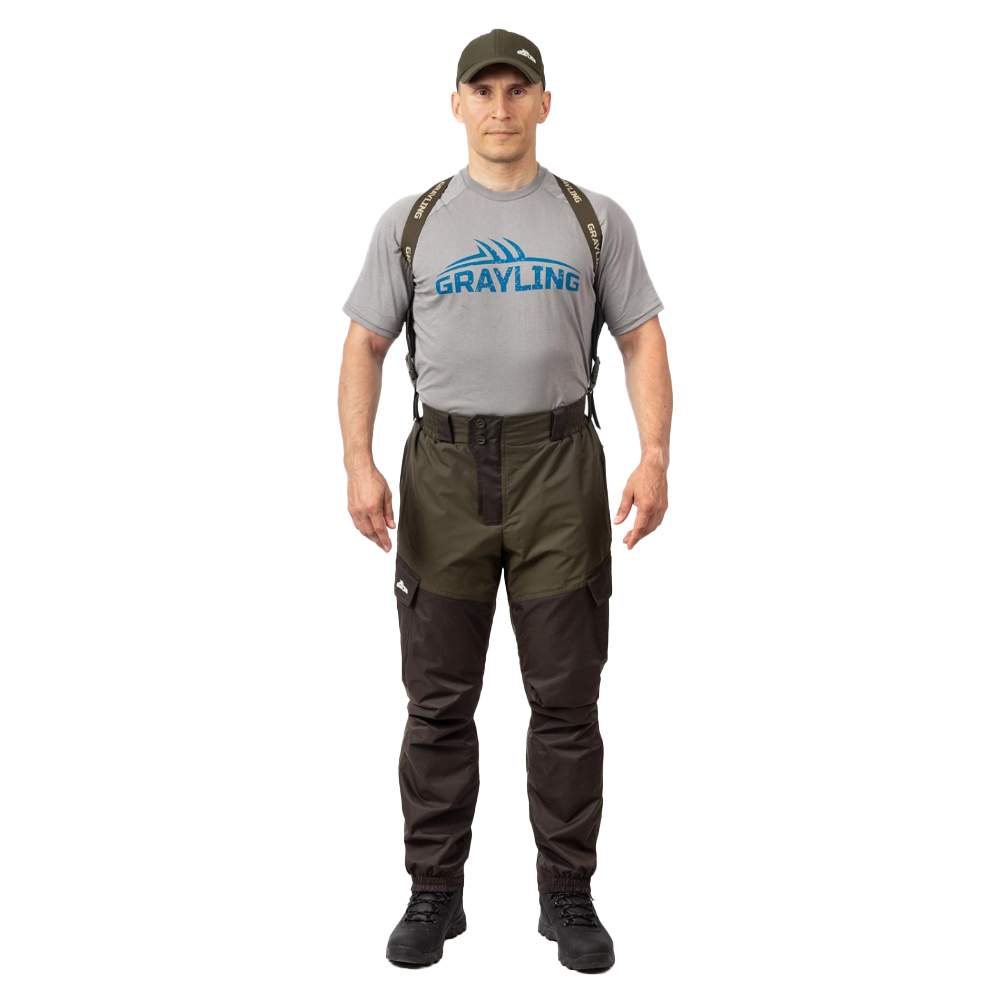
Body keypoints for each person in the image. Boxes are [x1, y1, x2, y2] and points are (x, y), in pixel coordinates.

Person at [339, 27, 672, 972]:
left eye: (516, 90)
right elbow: (365, 343)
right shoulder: (411, 221)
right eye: (481, 91)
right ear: (456, 106)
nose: (499, 108)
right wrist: (359, 461)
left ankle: (567, 893)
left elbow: (641, 336)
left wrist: (654, 454)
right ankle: (433, 892)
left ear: (543, 104)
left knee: (566, 699)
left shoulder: (593, 219)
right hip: (443, 472)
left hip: (559, 469)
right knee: (438, 700)